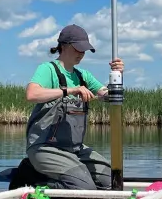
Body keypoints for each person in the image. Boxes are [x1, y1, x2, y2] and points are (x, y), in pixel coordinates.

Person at [24, 24, 124, 190]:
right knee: (84, 188)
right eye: (78, 49)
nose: (81, 54)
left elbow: (107, 95)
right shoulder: (48, 69)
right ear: (63, 46)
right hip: (45, 148)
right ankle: (34, 178)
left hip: (74, 150)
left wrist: (118, 76)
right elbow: (32, 94)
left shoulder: (83, 76)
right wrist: (70, 90)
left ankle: (75, 178)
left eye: (84, 50)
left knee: (113, 180)